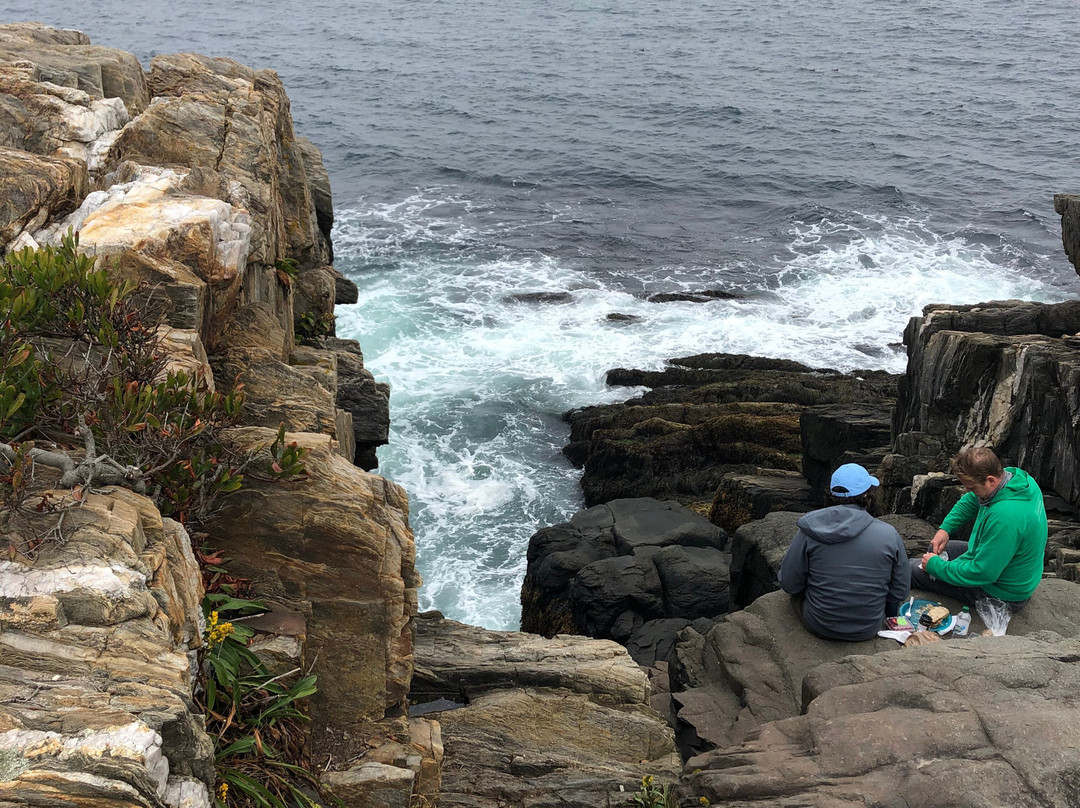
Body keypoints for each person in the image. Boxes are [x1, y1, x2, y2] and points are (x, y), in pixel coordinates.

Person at [778, 463, 910, 641]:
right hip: (868, 628)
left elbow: (789, 584)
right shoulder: (889, 534)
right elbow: (899, 592)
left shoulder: (809, 530)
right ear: (867, 495)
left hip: (819, 624)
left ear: (831, 494)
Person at [913, 447, 1047, 609]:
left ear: (990, 480)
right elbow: (971, 500)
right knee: (936, 549)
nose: (968, 491)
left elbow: (983, 573)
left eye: (972, 488)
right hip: (1006, 566)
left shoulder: (1005, 516)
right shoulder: (1016, 479)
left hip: (1001, 593)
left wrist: (936, 567)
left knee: (911, 571)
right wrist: (945, 529)